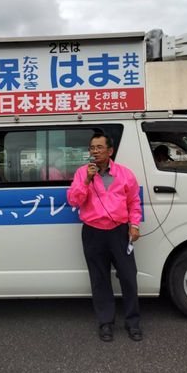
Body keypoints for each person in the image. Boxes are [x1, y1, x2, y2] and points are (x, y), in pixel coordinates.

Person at [67, 133, 143, 342]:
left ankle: (133, 322)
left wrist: (134, 225)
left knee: (128, 276)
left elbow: (134, 202)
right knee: (99, 279)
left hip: (119, 231)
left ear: (110, 151)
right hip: (93, 232)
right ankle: (106, 323)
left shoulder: (125, 174)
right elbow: (73, 200)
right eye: (92, 148)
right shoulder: (82, 173)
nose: (95, 151)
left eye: (99, 147)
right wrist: (87, 180)